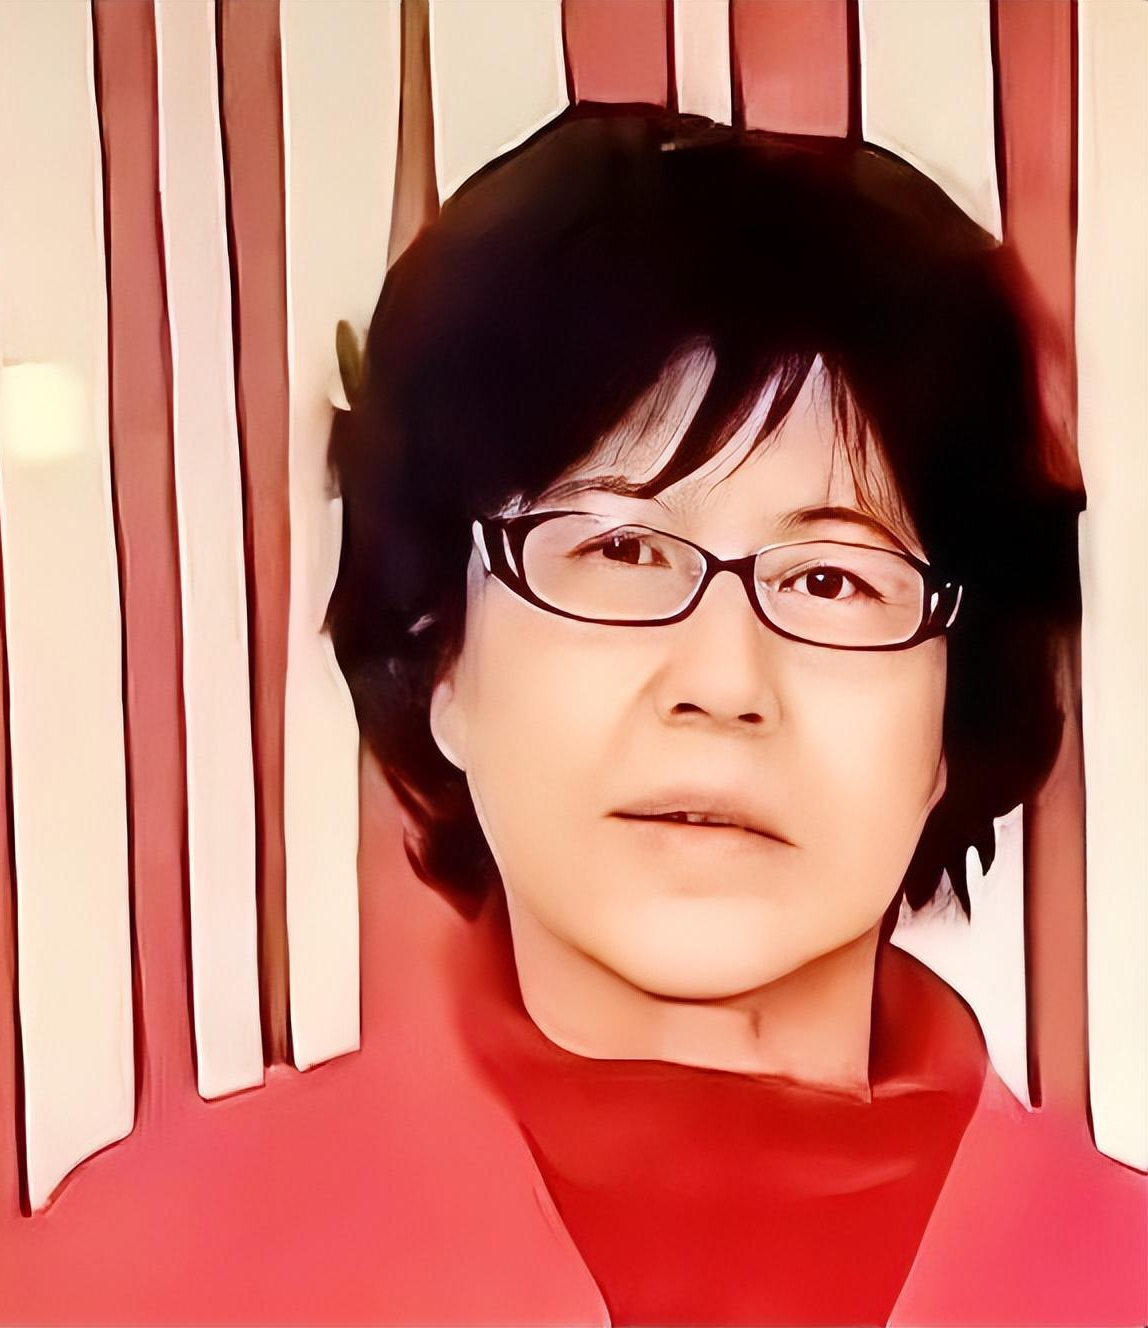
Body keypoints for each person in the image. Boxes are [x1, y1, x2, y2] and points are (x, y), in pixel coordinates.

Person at [325, 106, 1144, 1325]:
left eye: (831, 580)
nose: (720, 682)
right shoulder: (134, 1265)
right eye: (618, 549)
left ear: (951, 712)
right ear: (441, 652)